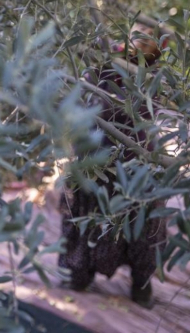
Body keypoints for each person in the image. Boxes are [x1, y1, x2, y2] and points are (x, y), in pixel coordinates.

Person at [59, 23, 168, 308]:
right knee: (84, 212)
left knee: (144, 224)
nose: (139, 41)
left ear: (157, 47)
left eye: (147, 39)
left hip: (138, 160)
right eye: (136, 33)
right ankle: (78, 274)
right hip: (96, 152)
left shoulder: (157, 75)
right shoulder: (108, 60)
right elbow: (85, 86)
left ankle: (141, 284)